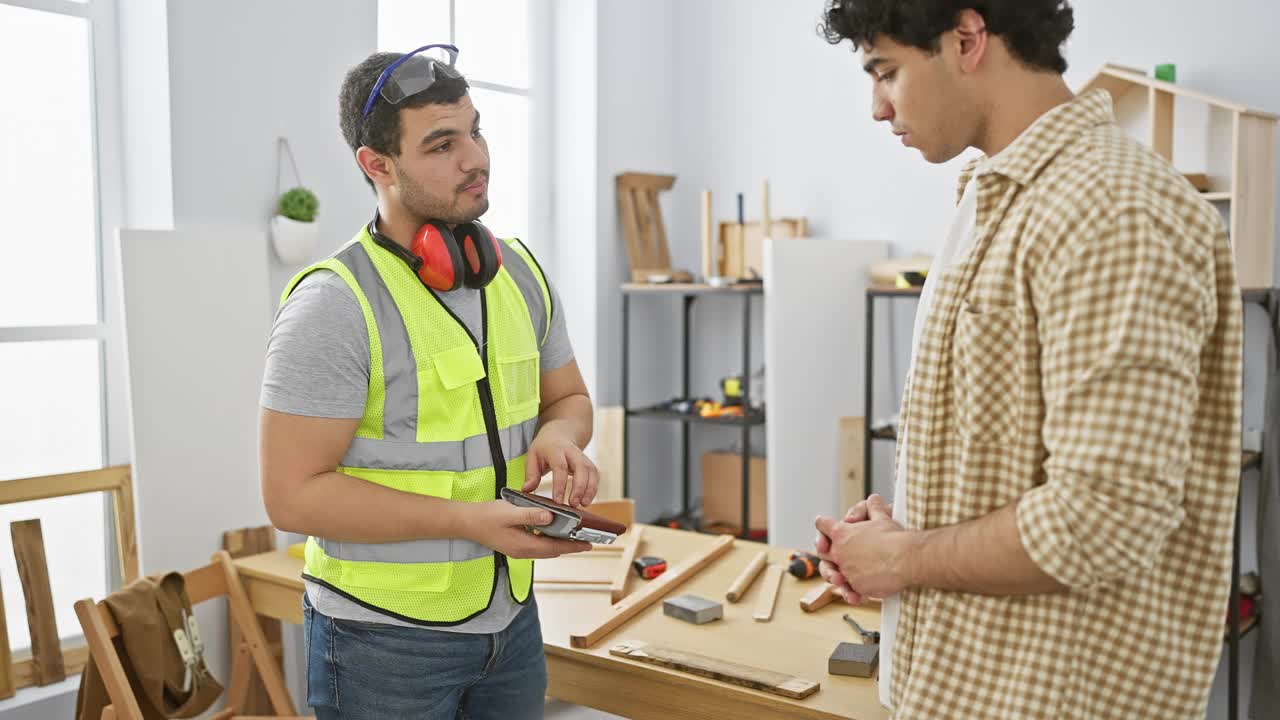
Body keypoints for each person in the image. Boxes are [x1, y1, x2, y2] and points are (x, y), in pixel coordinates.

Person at [814, 2, 1242, 718]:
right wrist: (903, 526)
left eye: (886, 72)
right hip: (968, 685)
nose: (878, 109)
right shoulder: (998, 202)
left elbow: (1107, 513)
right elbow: (1003, 460)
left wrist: (905, 556)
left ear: (966, 38)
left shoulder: (1111, 208)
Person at [259, 44, 598, 720]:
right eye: (443, 144)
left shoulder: (520, 274)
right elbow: (291, 497)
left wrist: (560, 438)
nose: (475, 157)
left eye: (475, 129)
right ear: (376, 165)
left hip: (511, 624)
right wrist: (468, 523)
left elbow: (568, 399)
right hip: (380, 642)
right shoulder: (335, 304)